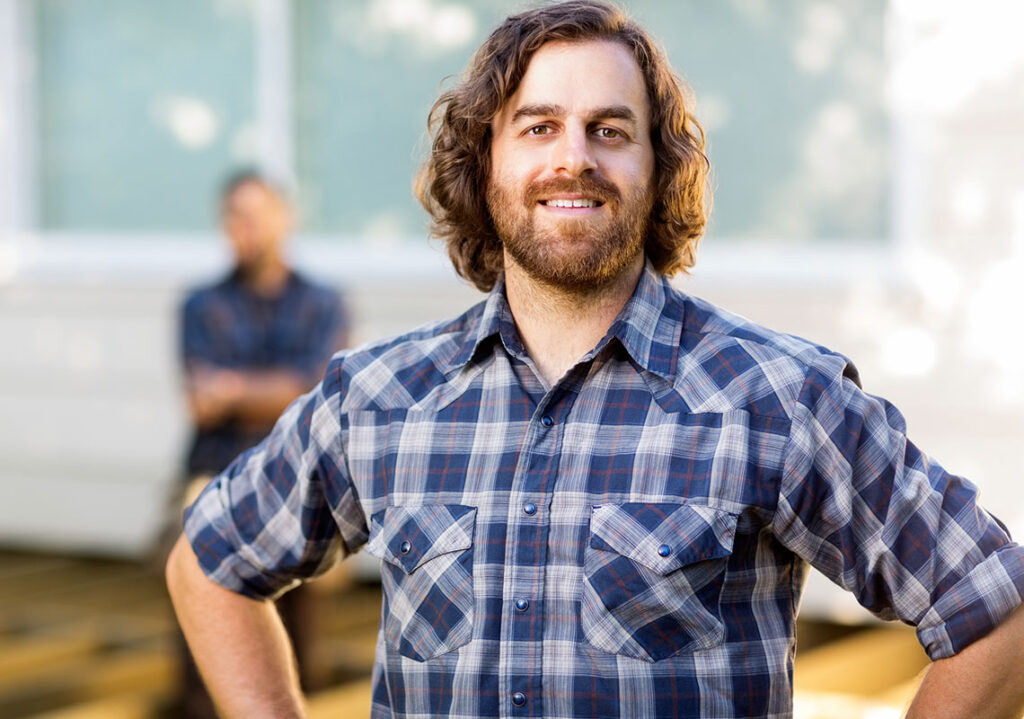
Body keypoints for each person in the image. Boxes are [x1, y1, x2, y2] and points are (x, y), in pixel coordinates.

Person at [166, 3, 1024, 718]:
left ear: (658, 169)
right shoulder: (378, 399)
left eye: (610, 130)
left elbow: (996, 609)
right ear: (485, 162)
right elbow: (208, 566)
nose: (572, 156)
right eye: (538, 126)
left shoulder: (776, 397)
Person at [175, 170, 348, 717]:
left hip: (301, 471)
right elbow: (203, 400)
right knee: (196, 552)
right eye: (232, 217)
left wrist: (234, 389)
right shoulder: (200, 303)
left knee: (305, 555)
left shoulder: (323, 302)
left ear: (284, 218)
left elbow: (318, 391)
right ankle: (201, 701)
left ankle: (302, 692)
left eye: (253, 215)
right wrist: (280, 387)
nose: (241, 228)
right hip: (217, 470)